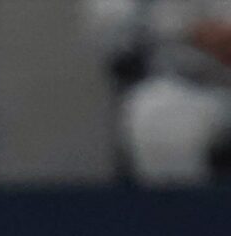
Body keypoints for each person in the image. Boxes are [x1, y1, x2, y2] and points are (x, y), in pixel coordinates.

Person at [85, 0, 231, 181]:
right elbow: (116, 31)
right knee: (156, 116)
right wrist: (192, 30)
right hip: (197, 87)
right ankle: (182, 208)